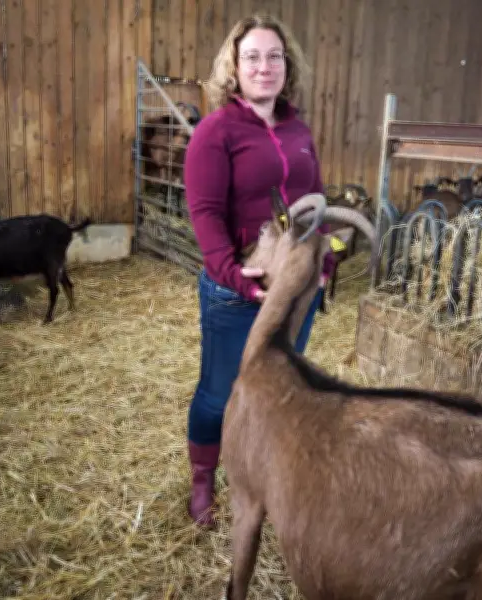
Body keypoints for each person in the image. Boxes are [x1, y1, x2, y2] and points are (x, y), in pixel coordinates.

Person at [183, 13, 334, 528]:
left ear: (286, 66)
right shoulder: (216, 130)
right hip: (238, 288)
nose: (264, 67)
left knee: (278, 387)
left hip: (294, 287)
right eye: (252, 57)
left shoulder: (298, 129)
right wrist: (231, 274)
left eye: (274, 57)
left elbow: (314, 202)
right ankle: (203, 477)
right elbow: (203, 212)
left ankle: (264, 478)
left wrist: (324, 258)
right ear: (235, 66)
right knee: (221, 391)